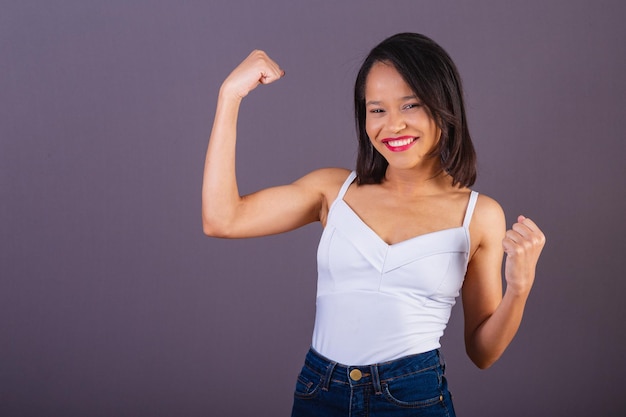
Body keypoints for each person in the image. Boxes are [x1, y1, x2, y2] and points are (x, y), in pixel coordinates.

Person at [202, 33, 545, 417]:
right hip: (320, 393)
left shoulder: (479, 215)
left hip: (412, 397)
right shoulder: (332, 190)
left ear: (444, 107)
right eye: (377, 110)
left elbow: (482, 353)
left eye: (410, 105)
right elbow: (222, 219)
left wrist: (519, 288)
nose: (393, 126)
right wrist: (229, 96)